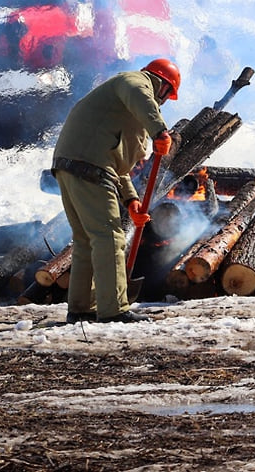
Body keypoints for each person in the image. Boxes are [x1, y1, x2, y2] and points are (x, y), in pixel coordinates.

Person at [51, 59, 179, 323]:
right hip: (89, 167)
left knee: (87, 241)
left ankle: (81, 309)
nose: (164, 102)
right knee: (109, 238)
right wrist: (159, 131)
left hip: (71, 166)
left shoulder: (119, 112)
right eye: (166, 95)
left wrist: (131, 200)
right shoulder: (135, 82)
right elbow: (139, 94)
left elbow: (118, 167)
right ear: (161, 85)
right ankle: (114, 310)